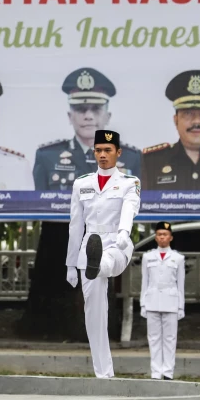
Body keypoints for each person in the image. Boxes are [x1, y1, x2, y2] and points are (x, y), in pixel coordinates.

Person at [66, 129, 141, 379]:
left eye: (107, 150)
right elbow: (75, 227)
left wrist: (123, 232)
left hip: (117, 243)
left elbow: (130, 209)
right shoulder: (82, 184)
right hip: (90, 245)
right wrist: (69, 264)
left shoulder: (130, 183)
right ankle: (104, 374)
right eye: (98, 150)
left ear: (118, 153)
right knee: (94, 312)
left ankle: (100, 265)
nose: (102, 155)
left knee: (108, 261)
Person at [33, 67, 142, 190]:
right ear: (70, 116)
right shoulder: (48, 157)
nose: (88, 116)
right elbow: (40, 207)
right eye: (80, 109)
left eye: (96, 109)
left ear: (107, 117)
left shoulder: (131, 158)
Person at [140, 222, 185, 381]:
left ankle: (168, 372)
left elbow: (180, 284)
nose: (162, 237)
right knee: (153, 338)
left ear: (170, 237)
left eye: (165, 234)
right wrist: (143, 303)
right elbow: (145, 282)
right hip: (152, 300)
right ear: (156, 237)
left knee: (170, 338)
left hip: (171, 301)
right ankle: (156, 372)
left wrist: (181, 306)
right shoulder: (148, 257)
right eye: (159, 234)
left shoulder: (178, 258)